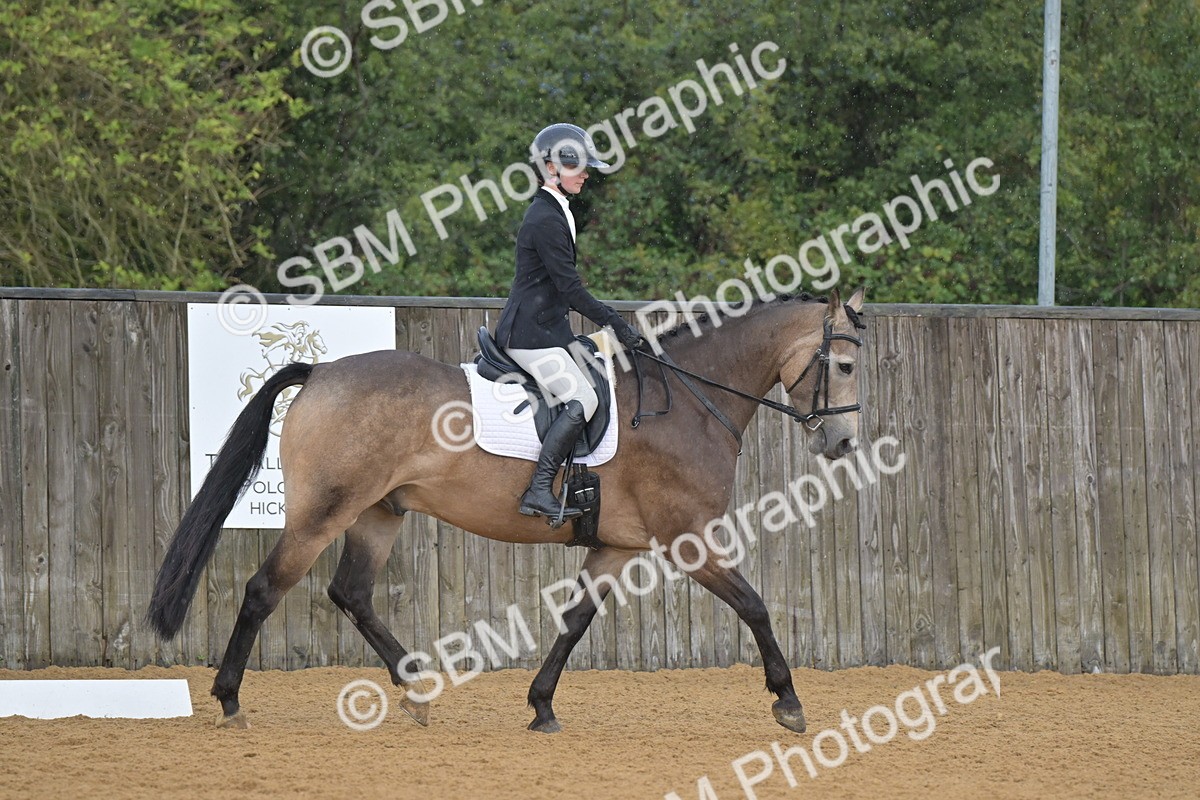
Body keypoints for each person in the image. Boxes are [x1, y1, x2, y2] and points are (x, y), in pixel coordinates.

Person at [494, 122, 647, 519]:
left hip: (547, 329)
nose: (586, 173)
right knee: (584, 397)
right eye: (577, 166)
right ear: (549, 169)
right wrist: (616, 322)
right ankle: (540, 489)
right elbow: (570, 289)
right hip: (528, 335)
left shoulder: (557, 210)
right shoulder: (545, 218)